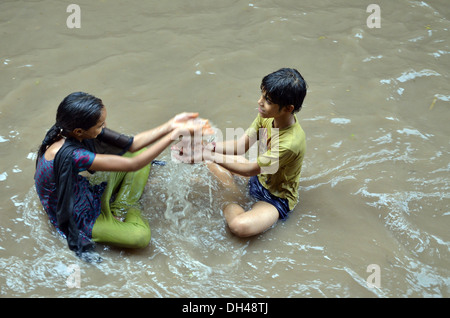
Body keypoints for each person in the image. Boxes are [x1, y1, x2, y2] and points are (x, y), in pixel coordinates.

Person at [34, 92, 208, 260]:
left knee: (139, 152)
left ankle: (119, 209)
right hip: (77, 216)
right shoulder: (72, 155)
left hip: (83, 192)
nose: (104, 126)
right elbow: (134, 164)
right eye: (100, 125)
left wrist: (172, 124)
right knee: (140, 237)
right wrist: (174, 135)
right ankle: (127, 208)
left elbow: (132, 145)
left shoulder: (69, 130)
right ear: (79, 131)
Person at [200, 68, 307, 237]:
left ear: (288, 108)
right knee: (211, 160)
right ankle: (235, 196)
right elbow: (241, 146)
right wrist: (208, 147)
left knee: (238, 226)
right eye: (262, 95)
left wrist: (208, 154)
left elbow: (251, 169)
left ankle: (230, 198)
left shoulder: (290, 143)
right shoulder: (267, 116)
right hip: (257, 178)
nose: (260, 102)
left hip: (275, 198)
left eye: (268, 100)